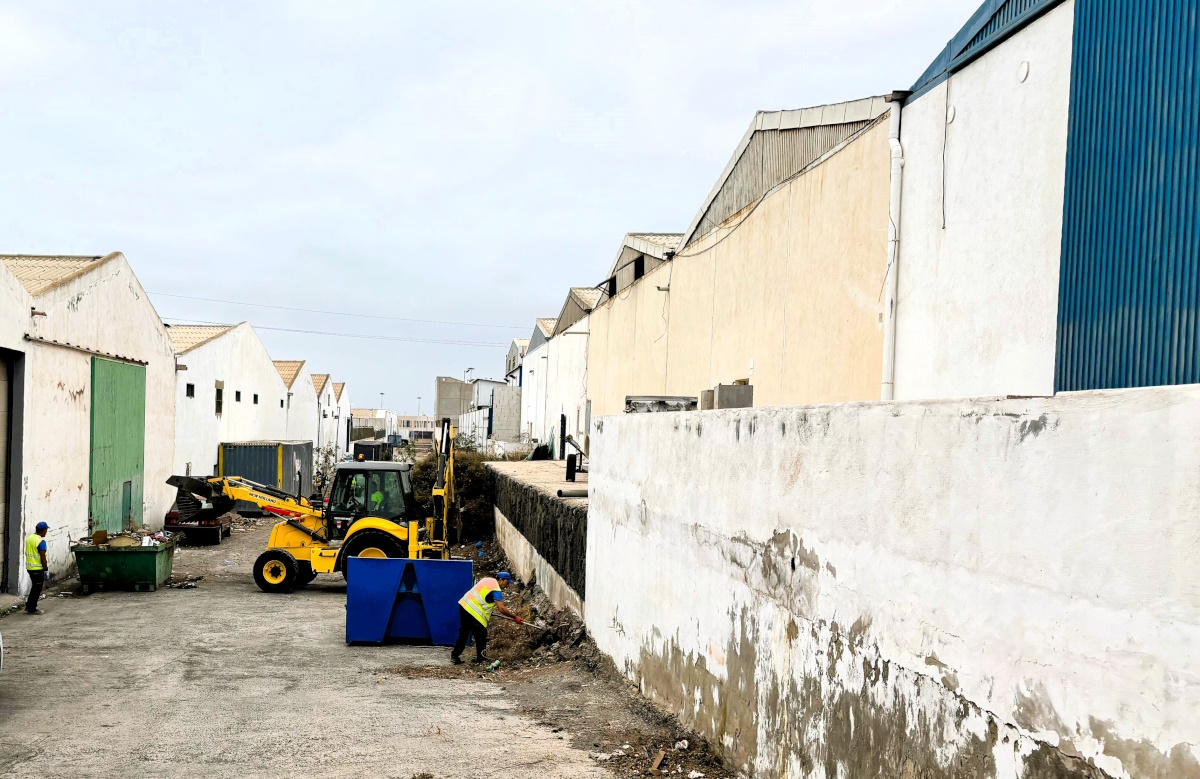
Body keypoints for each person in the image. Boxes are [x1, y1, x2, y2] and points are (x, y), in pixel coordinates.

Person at [451, 572, 521, 664]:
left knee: (464, 633)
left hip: (464, 605)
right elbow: (501, 608)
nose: (507, 585)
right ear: (502, 580)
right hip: (473, 612)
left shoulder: (487, 580)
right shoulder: (496, 589)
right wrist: (514, 617)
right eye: (507, 583)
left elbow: (482, 596)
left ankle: (455, 655)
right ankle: (481, 659)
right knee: (481, 635)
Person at [25, 521, 49, 616]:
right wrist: (46, 569)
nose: (46, 532)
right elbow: (43, 557)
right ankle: (32, 609)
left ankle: (28, 605)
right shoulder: (40, 541)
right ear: (43, 530)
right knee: (37, 589)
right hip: (38, 569)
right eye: (46, 530)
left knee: (34, 588)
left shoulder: (30, 538)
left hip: (30, 568)